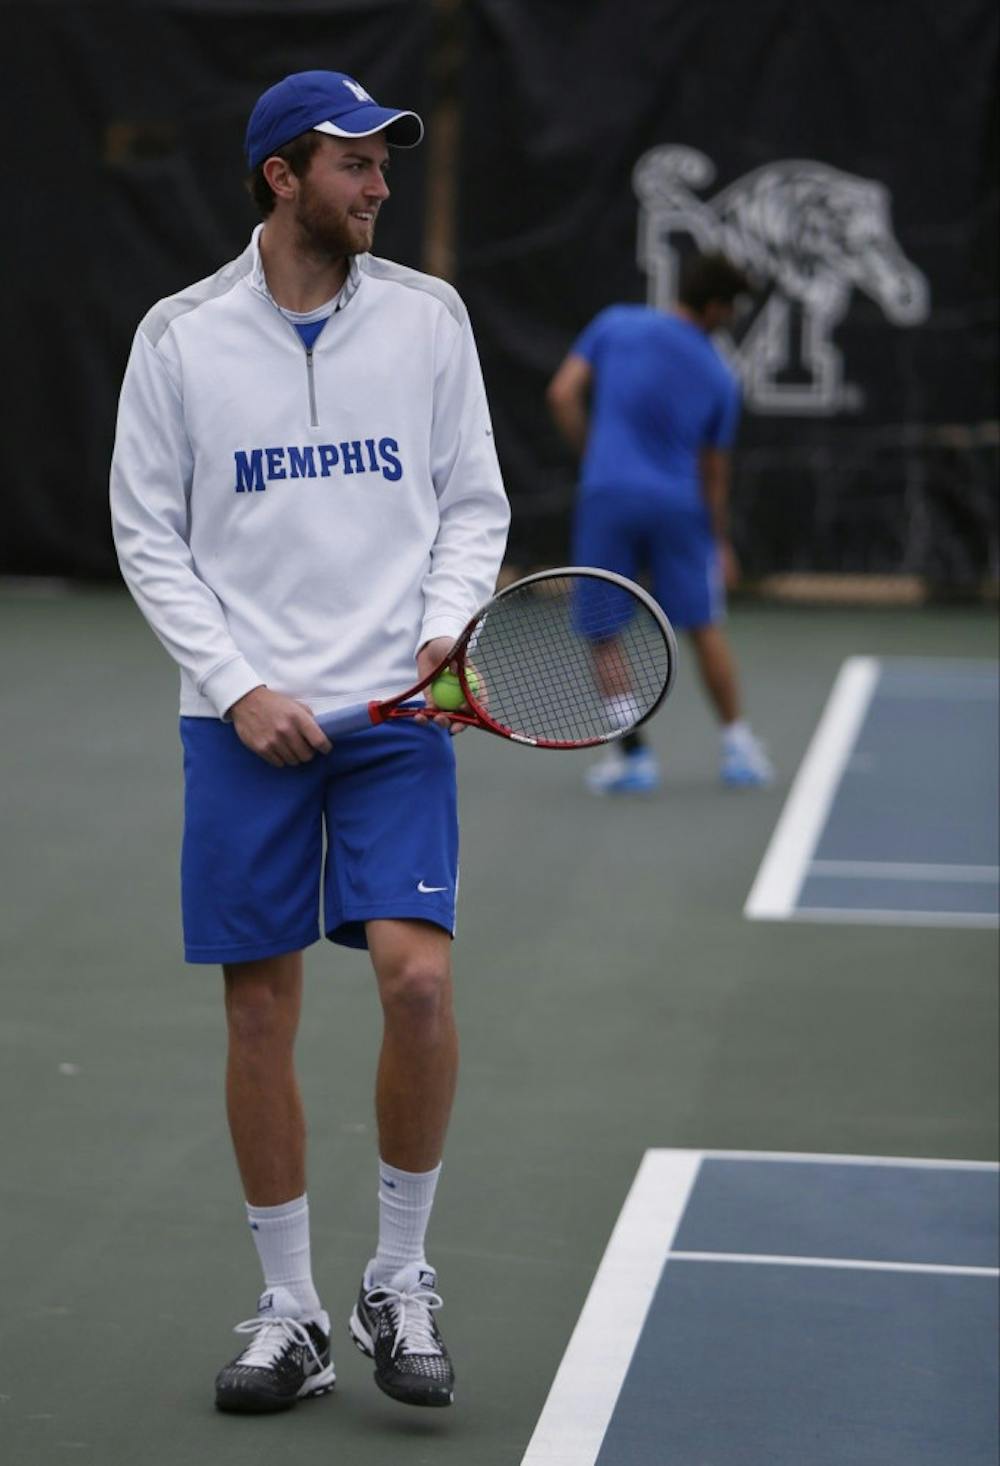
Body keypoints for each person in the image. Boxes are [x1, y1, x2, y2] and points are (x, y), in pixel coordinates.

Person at [110, 69, 509, 1415]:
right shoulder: (179, 337)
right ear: (282, 176)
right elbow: (146, 533)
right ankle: (288, 1308)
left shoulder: (430, 317)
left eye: (386, 162)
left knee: (417, 987)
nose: (379, 184)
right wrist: (235, 687)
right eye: (355, 163)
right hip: (244, 724)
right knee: (260, 1007)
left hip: (402, 711)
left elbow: (472, 499)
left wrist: (449, 630)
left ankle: (398, 1277)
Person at [546, 252, 774, 793]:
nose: (732, 318)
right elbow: (713, 471)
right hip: (679, 505)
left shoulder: (615, 324)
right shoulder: (720, 374)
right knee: (703, 626)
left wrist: (595, 456)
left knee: (604, 629)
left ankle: (633, 758)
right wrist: (719, 542)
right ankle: (738, 745)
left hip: (609, 497)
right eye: (732, 309)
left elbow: (562, 394)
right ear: (716, 306)